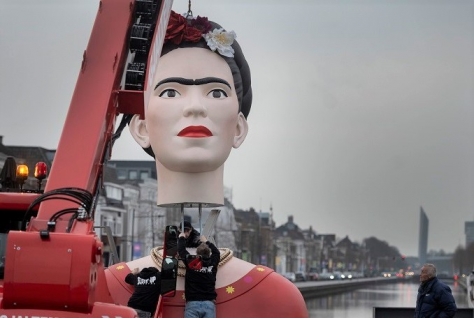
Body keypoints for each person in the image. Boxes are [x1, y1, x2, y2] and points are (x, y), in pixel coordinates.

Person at [105, 10, 308, 317]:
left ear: (238, 129)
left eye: (215, 92)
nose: (195, 107)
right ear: (141, 127)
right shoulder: (274, 296)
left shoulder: (278, 300)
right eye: (171, 92)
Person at [178, 234, 219, 318]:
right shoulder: (213, 262)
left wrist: (181, 237)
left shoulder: (192, 262)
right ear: (208, 253)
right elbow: (216, 252)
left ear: (197, 253)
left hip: (192, 303)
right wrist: (206, 241)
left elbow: (181, 250)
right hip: (209, 303)